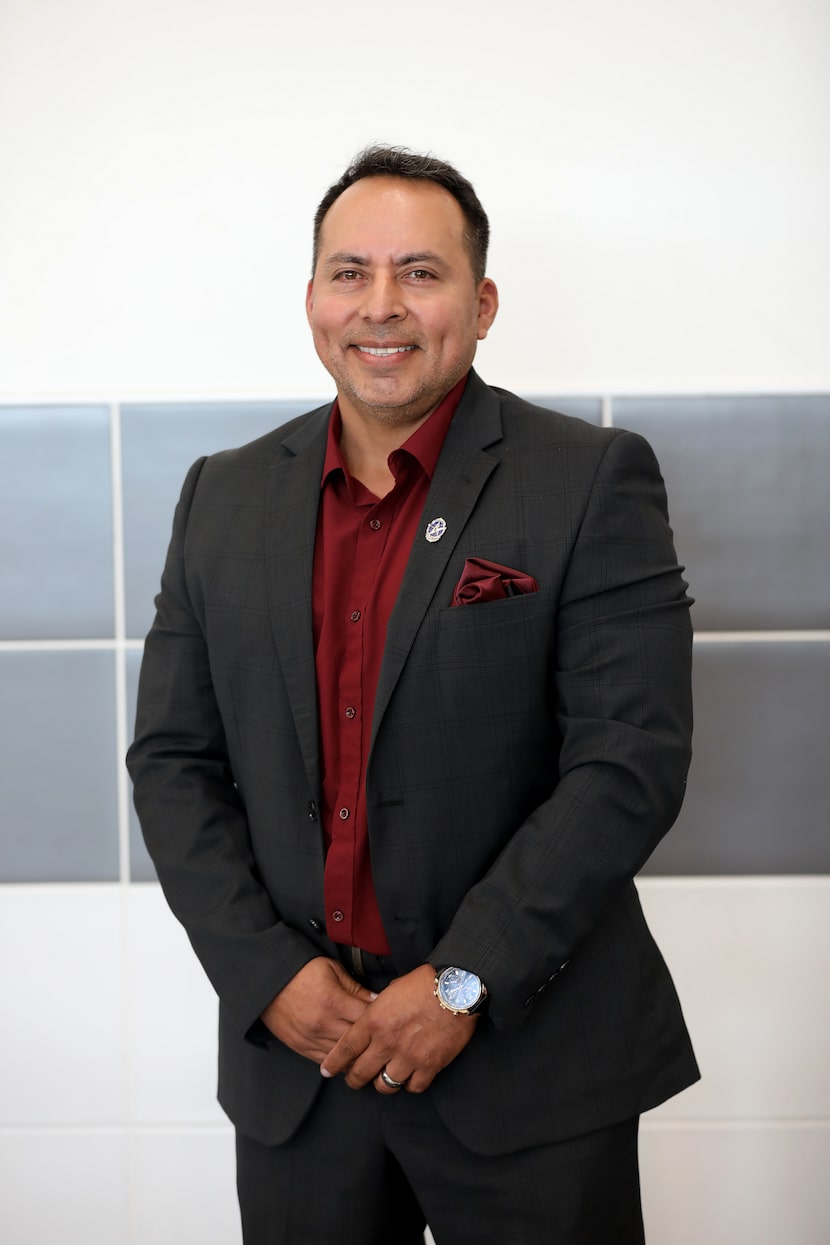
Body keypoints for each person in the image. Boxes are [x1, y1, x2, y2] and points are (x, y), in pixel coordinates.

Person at [127, 145, 698, 1244]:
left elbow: (627, 765)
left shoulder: (588, 479)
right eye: (349, 273)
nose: (379, 306)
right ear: (309, 300)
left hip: (527, 1066)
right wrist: (266, 972)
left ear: (480, 305)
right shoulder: (223, 495)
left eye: (419, 274)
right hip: (306, 1066)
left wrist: (459, 983)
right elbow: (172, 763)